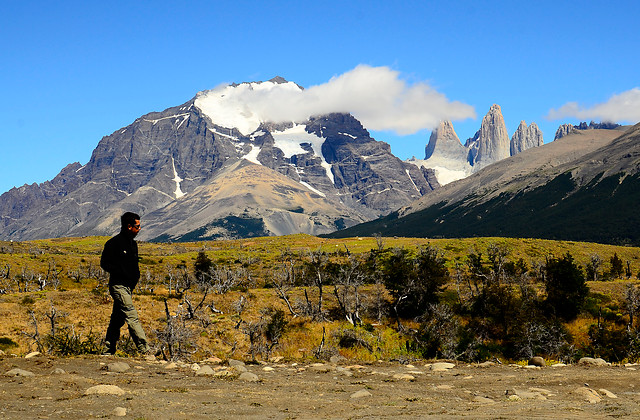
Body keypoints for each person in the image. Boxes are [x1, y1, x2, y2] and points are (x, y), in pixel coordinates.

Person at [100, 212, 150, 355]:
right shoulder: (113, 243)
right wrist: (120, 272)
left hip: (128, 287)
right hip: (118, 285)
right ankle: (144, 349)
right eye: (137, 226)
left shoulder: (133, 244)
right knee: (131, 315)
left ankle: (108, 350)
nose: (139, 229)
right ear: (129, 226)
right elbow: (104, 263)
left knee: (117, 318)